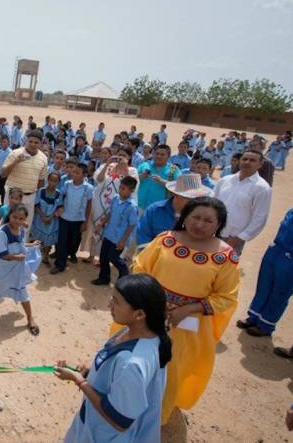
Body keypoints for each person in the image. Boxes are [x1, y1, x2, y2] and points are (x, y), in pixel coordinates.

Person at [131, 197, 239, 423]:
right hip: (148, 316)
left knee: (171, 370)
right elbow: (140, 267)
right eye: (195, 217)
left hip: (188, 328)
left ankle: (154, 419)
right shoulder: (165, 240)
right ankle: (125, 406)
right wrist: (152, 299)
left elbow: (226, 297)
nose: (199, 224)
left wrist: (189, 309)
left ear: (219, 224)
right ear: (184, 217)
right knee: (135, 361)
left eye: (208, 221)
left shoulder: (226, 256)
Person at [56, 274, 171, 442]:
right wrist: (91, 367)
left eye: (116, 302)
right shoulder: (143, 333)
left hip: (104, 435)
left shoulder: (131, 364)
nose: (109, 304)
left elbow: (119, 420)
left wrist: (79, 380)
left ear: (139, 314)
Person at [0, 204, 40, 336]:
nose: (17, 221)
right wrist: (17, 258)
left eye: (21, 218)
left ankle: (30, 318)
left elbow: (20, 245)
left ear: (25, 219)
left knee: (22, 291)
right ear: (9, 216)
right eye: (15, 217)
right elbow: (1, 254)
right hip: (5, 271)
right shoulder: (2, 234)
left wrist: (31, 245)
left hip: (17, 270)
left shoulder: (21, 230)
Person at [236, 208, 293, 337]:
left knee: (280, 292)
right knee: (264, 285)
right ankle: (254, 316)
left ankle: (266, 325)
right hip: (276, 250)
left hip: (290, 259)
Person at [211, 149, 272, 254]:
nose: (247, 162)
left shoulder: (262, 188)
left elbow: (260, 218)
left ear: (260, 164)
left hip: (233, 238)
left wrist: (240, 238)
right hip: (211, 232)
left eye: (252, 160)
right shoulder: (225, 180)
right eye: (245, 159)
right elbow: (211, 203)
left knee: (225, 263)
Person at [85, 147, 139, 263]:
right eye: (119, 154)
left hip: (117, 205)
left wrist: (125, 168)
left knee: (109, 230)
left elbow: (132, 186)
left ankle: (103, 258)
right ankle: (92, 255)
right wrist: (107, 164)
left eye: (124, 155)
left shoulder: (132, 170)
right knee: (96, 227)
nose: (121, 157)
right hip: (100, 203)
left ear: (129, 157)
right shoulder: (107, 166)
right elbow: (98, 180)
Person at [137, 173, 211, 246]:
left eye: (197, 199)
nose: (193, 202)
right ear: (175, 194)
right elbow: (142, 237)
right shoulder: (154, 210)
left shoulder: (203, 216)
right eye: (188, 198)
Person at [91, 176, 139, 286]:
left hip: (119, 238)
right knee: (103, 256)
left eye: (123, 188)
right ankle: (104, 278)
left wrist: (123, 240)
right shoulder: (116, 198)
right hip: (109, 233)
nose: (120, 190)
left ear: (131, 191)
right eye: (120, 187)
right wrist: (101, 224)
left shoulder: (132, 207)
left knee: (113, 257)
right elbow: (110, 213)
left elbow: (132, 225)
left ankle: (124, 274)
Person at [0, 130, 49, 231]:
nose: (32, 144)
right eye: (30, 141)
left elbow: (41, 180)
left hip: (30, 197)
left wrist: (36, 198)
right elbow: (3, 174)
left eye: (36, 142)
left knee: (25, 227)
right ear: (26, 141)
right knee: (7, 224)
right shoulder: (15, 153)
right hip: (12, 197)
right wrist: (16, 161)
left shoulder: (43, 158)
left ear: (41, 143)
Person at [51, 162, 93, 275]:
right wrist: (60, 206)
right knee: (62, 241)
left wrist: (86, 222)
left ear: (84, 175)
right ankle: (59, 264)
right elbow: (61, 196)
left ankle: (70, 255)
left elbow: (89, 205)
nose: (74, 174)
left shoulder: (88, 188)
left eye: (77, 173)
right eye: (73, 172)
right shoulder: (67, 184)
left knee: (74, 240)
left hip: (78, 220)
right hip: (64, 217)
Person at [137, 145, 181, 211]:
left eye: (162, 154)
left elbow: (179, 186)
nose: (159, 156)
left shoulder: (174, 170)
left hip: (160, 209)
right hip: (140, 206)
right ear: (153, 154)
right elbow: (131, 180)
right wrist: (140, 177)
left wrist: (162, 181)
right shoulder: (145, 165)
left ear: (168, 156)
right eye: (157, 153)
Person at [32, 173, 61, 265]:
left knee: (49, 238)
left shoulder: (59, 194)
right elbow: (36, 205)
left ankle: (46, 256)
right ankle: (36, 254)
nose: (52, 183)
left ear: (58, 182)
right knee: (38, 237)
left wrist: (50, 218)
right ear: (47, 180)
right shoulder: (41, 191)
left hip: (52, 220)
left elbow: (58, 208)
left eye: (55, 181)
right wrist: (43, 217)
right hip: (40, 218)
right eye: (50, 180)